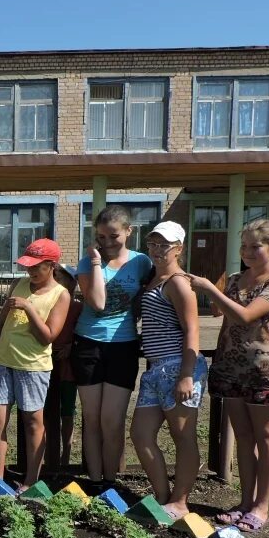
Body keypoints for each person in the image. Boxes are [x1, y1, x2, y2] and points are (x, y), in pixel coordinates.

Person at [190, 219, 269, 533]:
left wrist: (210, 289)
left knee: (266, 437)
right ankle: (245, 502)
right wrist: (217, 293)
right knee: (243, 437)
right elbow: (219, 314)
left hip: (262, 370)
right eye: (244, 246)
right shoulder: (236, 278)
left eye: (255, 246)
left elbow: (247, 315)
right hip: (229, 367)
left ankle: (262, 507)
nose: (247, 252)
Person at [129, 222, 208, 519]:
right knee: (140, 434)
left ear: (179, 248)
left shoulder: (178, 282)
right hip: (155, 370)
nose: (158, 250)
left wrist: (187, 374)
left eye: (165, 245)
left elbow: (192, 330)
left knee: (183, 436)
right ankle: (163, 497)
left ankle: (180, 501)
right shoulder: (153, 280)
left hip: (178, 367)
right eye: (153, 244)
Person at [73, 205, 154, 483]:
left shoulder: (141, 262)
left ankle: (111, 481)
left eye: (114, 236)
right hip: (88, 343)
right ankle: (96, 481)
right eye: (102, 237)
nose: (108, 243)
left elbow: (150, 296)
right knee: (92, 418)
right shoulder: (88, 262)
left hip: (124, 345)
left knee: (112, 420)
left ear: (129, 232)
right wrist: (95, 262)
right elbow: (96, 303)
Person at [0, 239, 70, 489]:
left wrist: (29, 308)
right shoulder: (18, 284)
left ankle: (31, 481)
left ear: (51, 266)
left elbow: (48, 336)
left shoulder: (60, 295)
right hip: (3, 361)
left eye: (36, 267)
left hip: (33, 366)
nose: (29, 271)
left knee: (33, 422)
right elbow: (1, 323)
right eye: (27, 266)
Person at [49, 265, 83, 467]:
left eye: (60, 277)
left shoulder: (78, 307)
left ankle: (66, 453)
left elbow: (83, 331)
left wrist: (71, 346)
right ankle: (48, 453)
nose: (56, 280)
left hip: (68, 365)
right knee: (47, 409)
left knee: (67, 411)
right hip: (48, 361)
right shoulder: (49, 303)